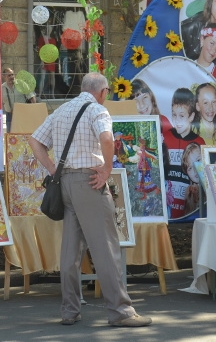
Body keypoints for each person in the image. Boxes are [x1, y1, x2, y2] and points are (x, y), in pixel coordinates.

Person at [29, 72, 151, 328]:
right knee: (106, 247)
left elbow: (35, 140)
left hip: (65, 184)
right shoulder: (97, 110)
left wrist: (53, 168)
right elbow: (107, 139)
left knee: (70, 252)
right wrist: (106, 170)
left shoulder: (62, 110)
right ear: (103, 91)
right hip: (88, 182)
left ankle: (69, 310)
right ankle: (121, 311)